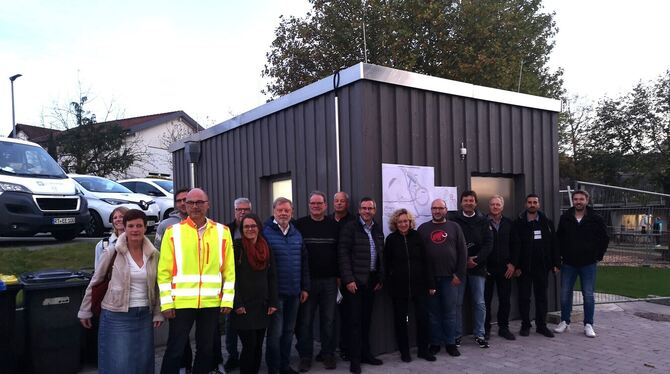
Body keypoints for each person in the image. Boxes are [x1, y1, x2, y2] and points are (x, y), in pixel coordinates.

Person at [158, 188, 236, 374]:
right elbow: (163, 271)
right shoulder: (173, 232)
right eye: (191, 202)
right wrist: (166, 303)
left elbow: (229, 270)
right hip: (181, 303)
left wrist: (227, 299)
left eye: (200, 202)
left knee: (206, 349)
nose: (195, 206)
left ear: (207, 205)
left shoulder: (222, 232)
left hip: (211, 302)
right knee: (175, 349)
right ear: (185, 205)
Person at [79, 209, 164, 373]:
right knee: (120, 364)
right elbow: (96, 281)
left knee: (143, 363)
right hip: (116, 316)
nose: (135, 230)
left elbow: (157, 286)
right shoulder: (112, 252)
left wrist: (157, 312)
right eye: (131, 226)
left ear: (145, 228)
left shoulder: (153, 255)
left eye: (139, 225)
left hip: (144, 314)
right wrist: (85, 310)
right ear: (124, 228)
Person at [263, 197, 310, 374]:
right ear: (274, 211)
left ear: (292, 212)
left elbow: (304, 263)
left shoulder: (296, 233)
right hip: (276, 295)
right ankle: (274, 368)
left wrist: (305, 287)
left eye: (287, 211)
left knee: (289, 332)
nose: (283, 213)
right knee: (275, 334)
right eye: (280, 210)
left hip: (294, 293)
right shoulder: (266, 233)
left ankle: (284, 365)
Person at [338, 197, 385, 374]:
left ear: (374, 210)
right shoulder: (350, 228)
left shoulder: (377, 228)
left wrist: (380, 278)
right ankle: (354, 359)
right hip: (355, 282)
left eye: (370, 208)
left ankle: (366, 354)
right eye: (364, 208)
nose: (367, 211)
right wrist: (348, 279)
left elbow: (381, 253)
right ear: (359, 210)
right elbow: (342, 254)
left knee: (366, 320)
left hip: (372, 281)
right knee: (354, 322)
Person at [295, 191, 340, 371]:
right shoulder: (299, 225)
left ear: (325, 206)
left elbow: (339, 253)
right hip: (308, 282)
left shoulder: (333, 226)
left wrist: (338, 276)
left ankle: (327, 354)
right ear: (309, 205)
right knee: (305, 321)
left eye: (319, 203)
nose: (316, 206)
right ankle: (305, 356)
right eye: (313, 203)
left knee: (328, 320)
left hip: (330, 281)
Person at [555, 190, 609, 338]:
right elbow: (559, 239)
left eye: (581, 199)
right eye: (576, 199)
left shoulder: (595, 218)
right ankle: (565, 322)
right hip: (568, 263)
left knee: (588, 295)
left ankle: (588, 324)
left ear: (587, 200)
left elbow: (604, 238)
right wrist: (559, 257)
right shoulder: (565, 218)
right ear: (573, 200)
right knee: (565, 294)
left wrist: (598, 255)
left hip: (588, 264)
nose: (578, 201)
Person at [384, 208, 436, 362]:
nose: (403, 224)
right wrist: (389, 283)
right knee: (401, 321)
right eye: (400, 222)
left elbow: (426, 261)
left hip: (419, 286)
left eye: (405, 221)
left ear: (410, 222)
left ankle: (423, 350)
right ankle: (404, 352)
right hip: (399, 288)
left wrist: (430, 283)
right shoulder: (391, 240)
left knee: (422, 318)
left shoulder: (417, 237)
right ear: (395, 223)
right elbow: (387, 264)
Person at [418, 198, 467, 357]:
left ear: (446, 210)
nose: (437, 211)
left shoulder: (455, 227)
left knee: (450, 312)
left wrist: (459, 274)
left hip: (450, 279)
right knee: (433, 313)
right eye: (434, 208)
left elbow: (463, 252)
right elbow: (419, 256)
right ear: (431, 210)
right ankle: (435, 343)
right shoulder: (423, 228)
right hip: (430, 279)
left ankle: (451, 343)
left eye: (440, 208)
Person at [153, 187, 193, 374]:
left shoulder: (205, 225)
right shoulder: (166, 225)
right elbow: (159, 257)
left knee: (204, 337)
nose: (184, 203)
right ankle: (180, 368)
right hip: (177, 291)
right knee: (178, 337)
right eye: (180, 200)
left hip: (201, 291)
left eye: (187, 199)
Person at [232, 213, 279, 374]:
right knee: (249, 346)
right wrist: (237, 304)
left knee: (258, 346)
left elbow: (272, 276)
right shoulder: (237, 247)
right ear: (242, 229)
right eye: (246, 226)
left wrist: (273, 302)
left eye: (253, 226)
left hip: (262, 305)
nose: (250, 229)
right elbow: (231, 278)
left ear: (259, 227)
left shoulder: (266, 247)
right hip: (244, 307)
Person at [511, 194, 559, 338]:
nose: (532, 204)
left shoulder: (547, 222)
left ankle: (541, 326)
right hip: (523, 268)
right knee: (524, 297)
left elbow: (554, 244)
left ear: (538, 205)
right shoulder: (518, 223)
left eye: (535, 202)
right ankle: (525, 325)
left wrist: (556, 263)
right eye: (530, 202)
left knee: (541, 297)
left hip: (542, 267)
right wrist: (516, 266)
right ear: (526, 204)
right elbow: (514, 246)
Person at [450, 191, 493, 349]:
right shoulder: (453, 220)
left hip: (478, 267)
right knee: (457, 303)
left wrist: (476, 259)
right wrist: (464, 261)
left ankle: (479, 334)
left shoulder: (483, 220)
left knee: (479, 302)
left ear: (476, 203)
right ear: (461, 203)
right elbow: (451, 243)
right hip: (458, 268)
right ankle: (456, 336)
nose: (468, 203)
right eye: (465, 200)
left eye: (471, 200)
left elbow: (489, 244)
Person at [218, 197, 252, 372]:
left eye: (246, 209)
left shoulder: (256, 229)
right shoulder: (226, 230)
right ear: (234, 211)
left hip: (250, 285)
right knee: (230, 324)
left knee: (249, 324)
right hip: (230, 284)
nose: (243, 212)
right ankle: (232, 356)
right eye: (239, 209)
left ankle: (251, 356)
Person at [484, 195, 517, 340]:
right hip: (487, 269)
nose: (495, 207)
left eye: (498, 204)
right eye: (492, 204)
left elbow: (517, 245)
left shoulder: (510, 223)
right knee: (485, 300)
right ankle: (485, 329)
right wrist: (481, 264)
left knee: (505, 300)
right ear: (489, 206)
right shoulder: (482, 223)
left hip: (505, 268)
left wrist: (513, 264)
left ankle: (504, 328)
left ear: (502, 207)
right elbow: (479, 245)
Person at [330, 191, 355, 362]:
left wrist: (345, 276)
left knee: (347, 315)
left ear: (347, 204)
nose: (339, 203)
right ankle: (328, 349)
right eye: (336, 201)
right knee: (329, 316)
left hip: (347, 275)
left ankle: (346, 347)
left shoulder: (353, 222)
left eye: (342, 201)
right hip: (329, 275)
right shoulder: (328, 221)